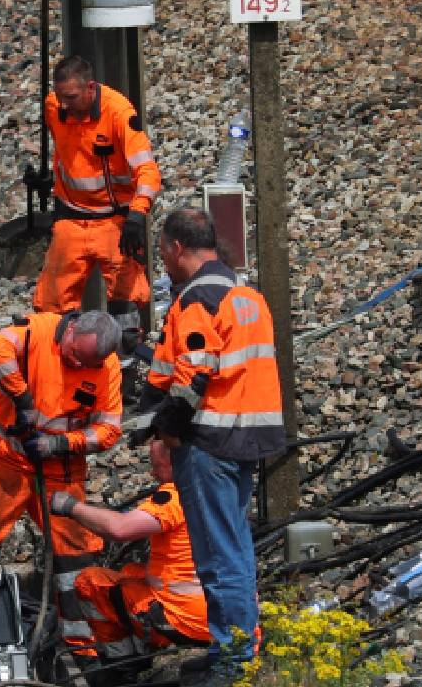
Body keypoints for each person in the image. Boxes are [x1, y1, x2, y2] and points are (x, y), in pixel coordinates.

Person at [142, 209, 285, 686]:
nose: (161, 261)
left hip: (210, 440)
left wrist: (167, 432)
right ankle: (232, 643)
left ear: (176, 248)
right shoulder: (246, 296)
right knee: (234, 546)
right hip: (247, 436)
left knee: (218, 554)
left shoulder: (197, 299)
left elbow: (193, 375)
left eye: (161, 251)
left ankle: (235, 658)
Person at [0, 310, 124, 657]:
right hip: (6, 463)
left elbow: (109, 430)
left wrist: (61, 443)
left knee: (78, 562)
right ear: (71, 330)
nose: (79, 365)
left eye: (88, 362)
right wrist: (22, 398)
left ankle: (85, 651)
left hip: (60, 471)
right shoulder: (37, 332)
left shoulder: (107, 368)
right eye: (76, 355)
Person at [49, 438, 209, 686]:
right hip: (223, 614)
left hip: (187, 619)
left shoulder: (175, 497)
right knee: (131, 571)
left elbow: (120, 529)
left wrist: (70, 507)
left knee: (92, 582)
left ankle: (122, 666)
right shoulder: (217, 490)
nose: (153, 473)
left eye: (157, 467)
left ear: (176, 464)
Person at [34, 55, 162, 352]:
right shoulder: (54, 107)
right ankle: (58, 364)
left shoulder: (118, 113)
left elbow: (148, 170)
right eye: (61, 96)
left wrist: (137, 215)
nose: (65, 104)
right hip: (71, 218)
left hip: (114, 222)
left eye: (72, 97)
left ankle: (124, 377)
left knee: (126, 301)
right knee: (52, 302)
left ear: (90, 88)